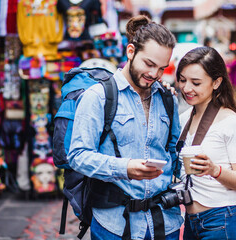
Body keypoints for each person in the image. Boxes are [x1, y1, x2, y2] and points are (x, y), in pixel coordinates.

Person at [67, 15, 183, 240]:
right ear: (131, 51)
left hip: (164, 223)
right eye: (149, 64)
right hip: (114, 225)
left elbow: (173, 153)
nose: (154, 75)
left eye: (161, 68)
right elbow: (77, 155)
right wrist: (124, 167)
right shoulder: (98, 97)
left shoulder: (168, 99)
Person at [176, 46, 236, 240]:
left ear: (217, 82)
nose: (186, 88)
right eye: (183, 80)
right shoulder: (183, 118)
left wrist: (214, 170)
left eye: (196, 83)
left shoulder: (232, 122)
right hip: (191, 222)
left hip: (222, 221)